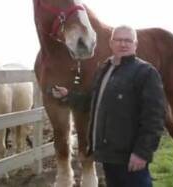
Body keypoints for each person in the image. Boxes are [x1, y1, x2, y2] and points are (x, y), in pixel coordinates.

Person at [52, 25, 165, 187]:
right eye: (119, 40)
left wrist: (142, 153)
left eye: (128, 40)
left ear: (135, 44)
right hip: (108, 155)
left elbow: (154, 118)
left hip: (130, 157)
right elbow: (94, 102)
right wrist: (68, 96)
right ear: (111, 43)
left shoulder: (145, 73)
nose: (123, 44)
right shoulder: (105, 69)